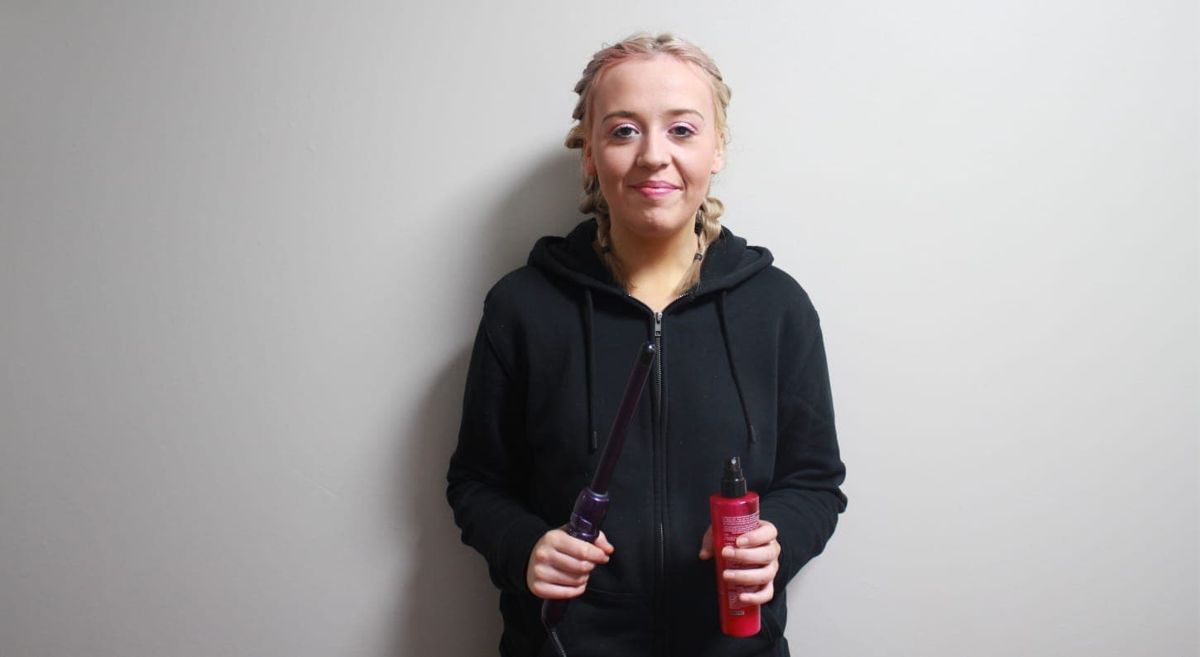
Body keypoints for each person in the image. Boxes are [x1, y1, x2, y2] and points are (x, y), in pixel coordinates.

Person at [446, 32, 847, 657]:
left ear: (717, 149)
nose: (653, 156)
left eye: (683, 130)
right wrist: (524, 547)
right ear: (589, 155)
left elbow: (817, 482)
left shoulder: (778, 307)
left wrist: (780, 539)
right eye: (624, 130)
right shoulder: (521, 307)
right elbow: (475, 483)